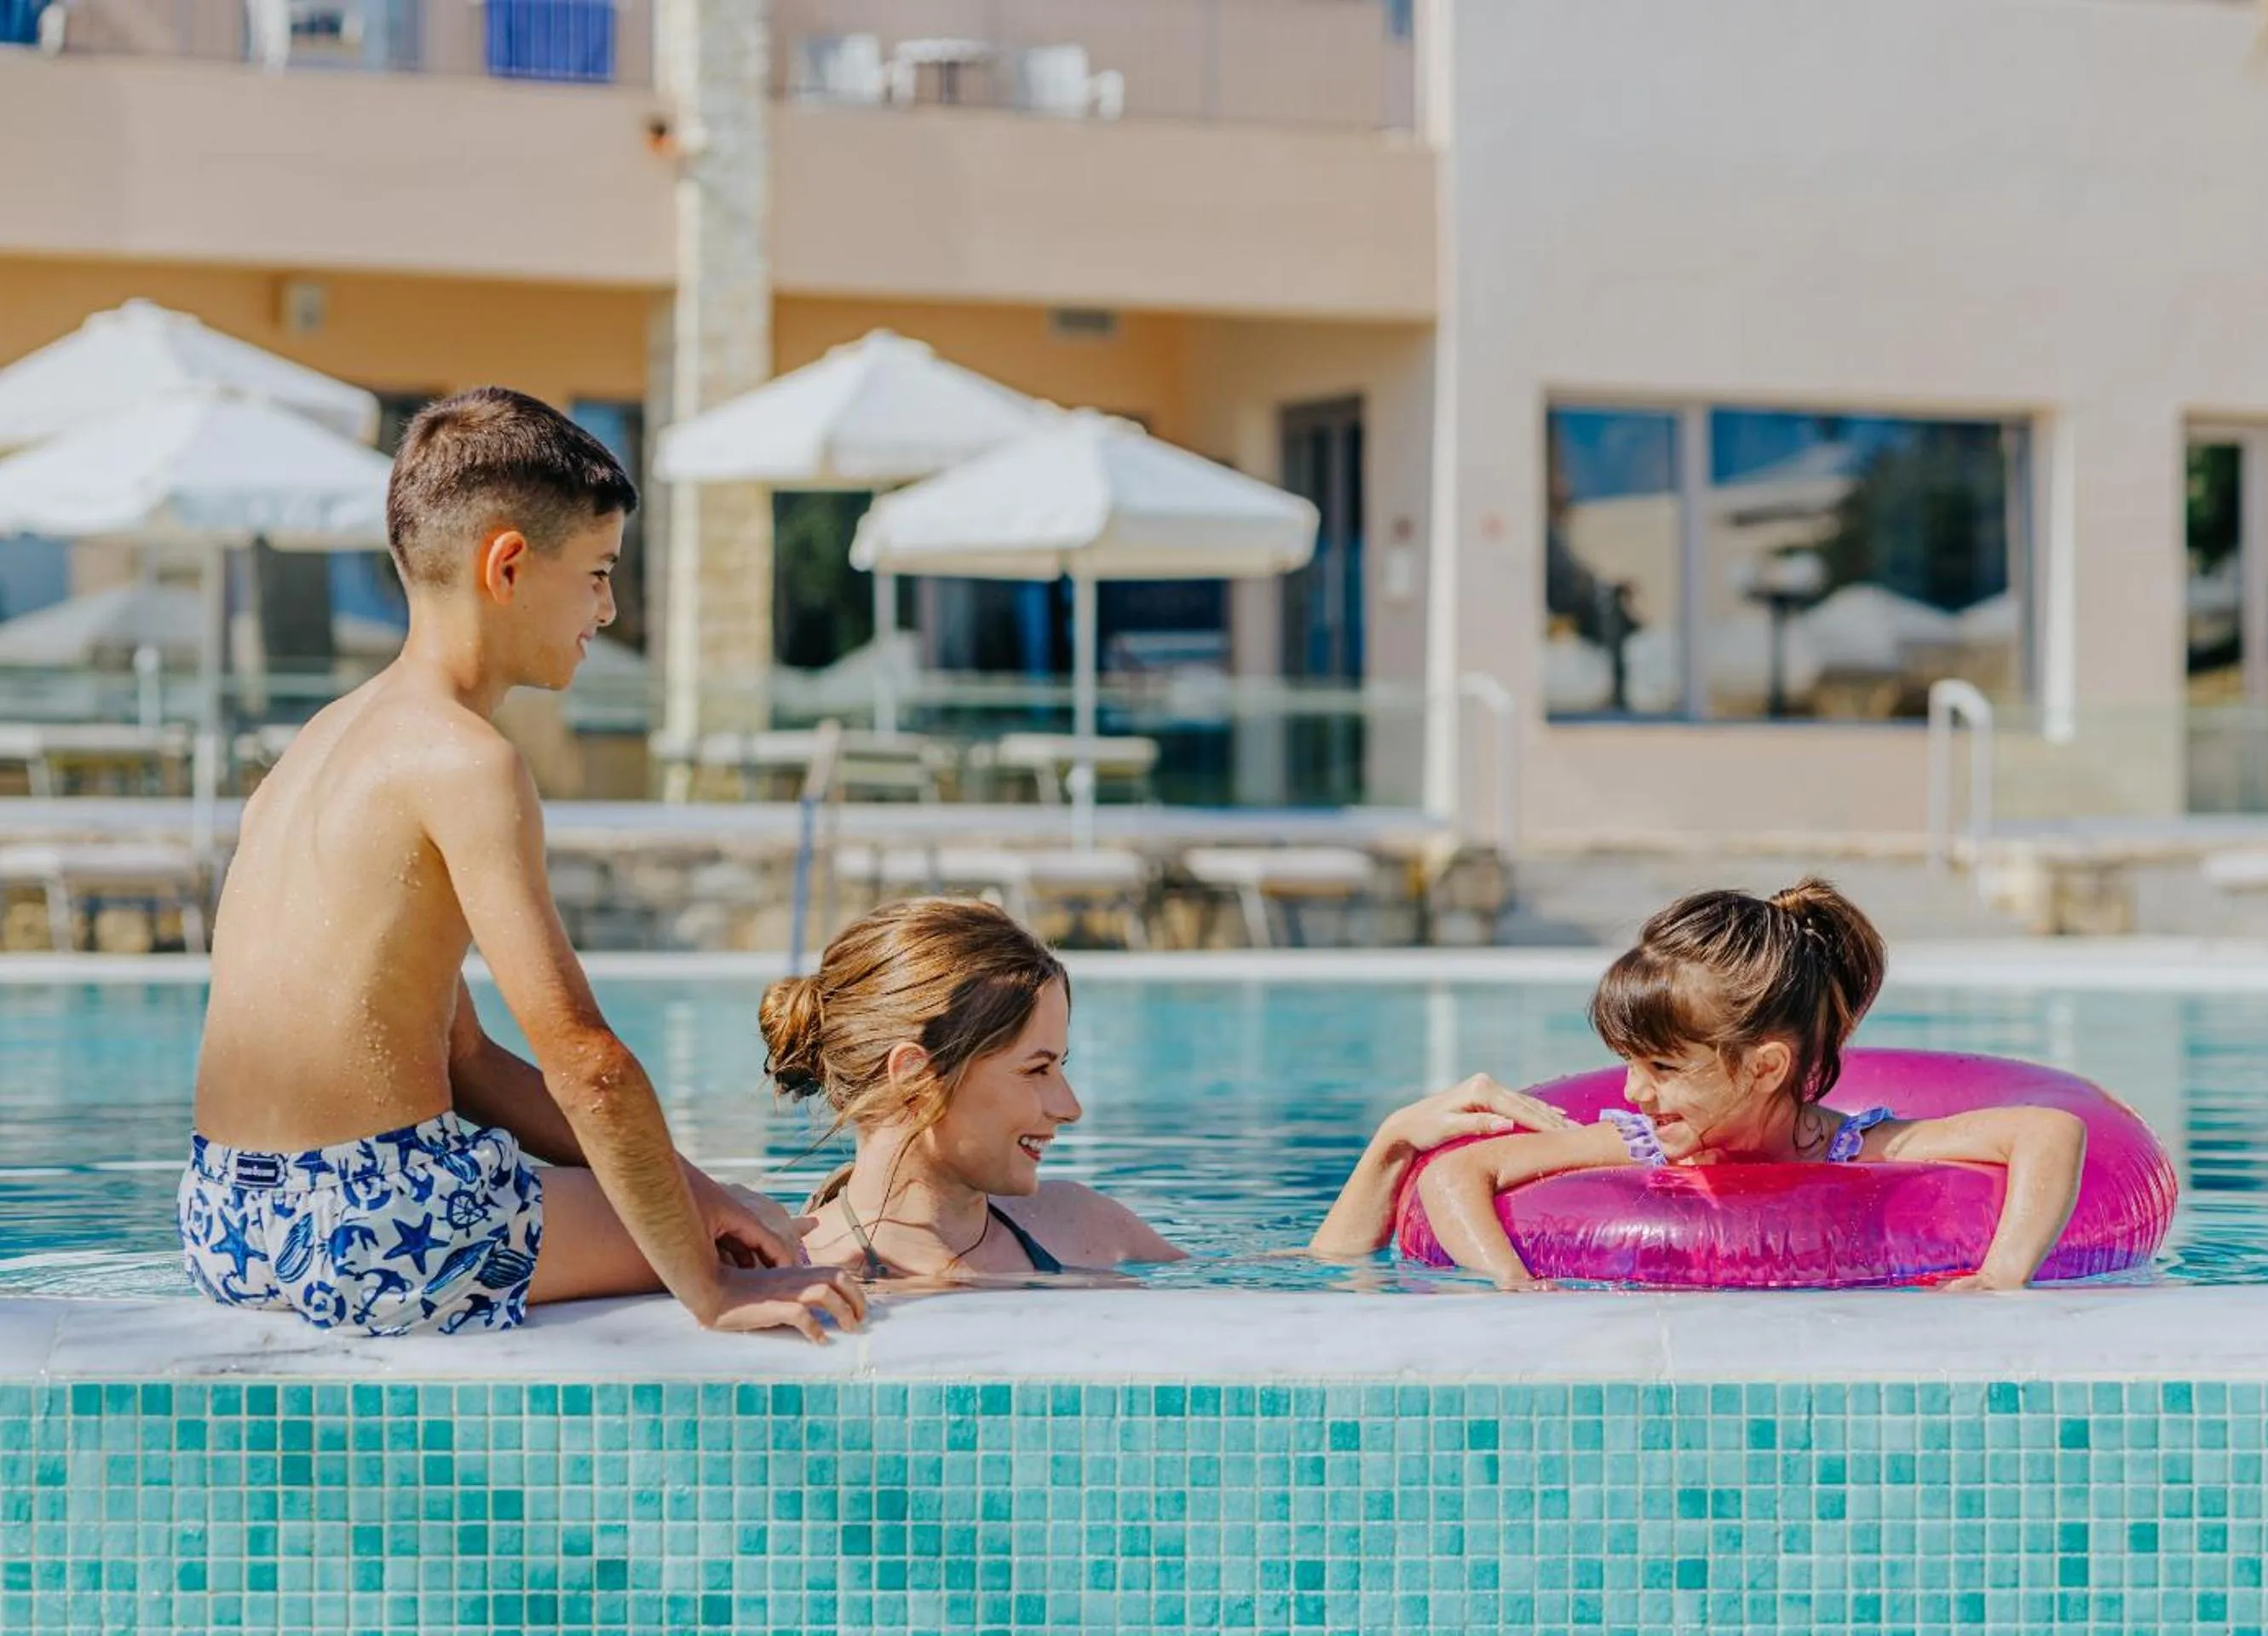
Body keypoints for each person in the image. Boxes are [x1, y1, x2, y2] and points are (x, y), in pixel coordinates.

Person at [179, 388, 866, 1342]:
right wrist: (710, 1288)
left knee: (704, 1203)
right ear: (507, 564)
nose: (608, 607)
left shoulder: (317, 747)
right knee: (783, 1241)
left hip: (227, 1221)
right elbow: (585, 1061)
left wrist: (694, 1187)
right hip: (378, 1228)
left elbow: (465, 1061)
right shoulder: (467, 761)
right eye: (595, 572)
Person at [764, 896, 1573, 1282]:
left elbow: (1296, 1283)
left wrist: (1394, 1143)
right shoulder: (792, 1264)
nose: (1069, 1107)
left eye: (1064, 1066)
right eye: (1038, 1070)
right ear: (916, 1077)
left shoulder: (1081, 1225)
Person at [1398, 879, 2087, 1291]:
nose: (1635, 1092)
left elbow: (2051, 1131)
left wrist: (2003, 1275)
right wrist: (1507, 1279)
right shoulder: (1646, 1145)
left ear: (1765, 1067)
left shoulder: (1850, 1147)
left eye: (1664, 1068)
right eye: (1630, 1063)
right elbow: (1455, 1175)